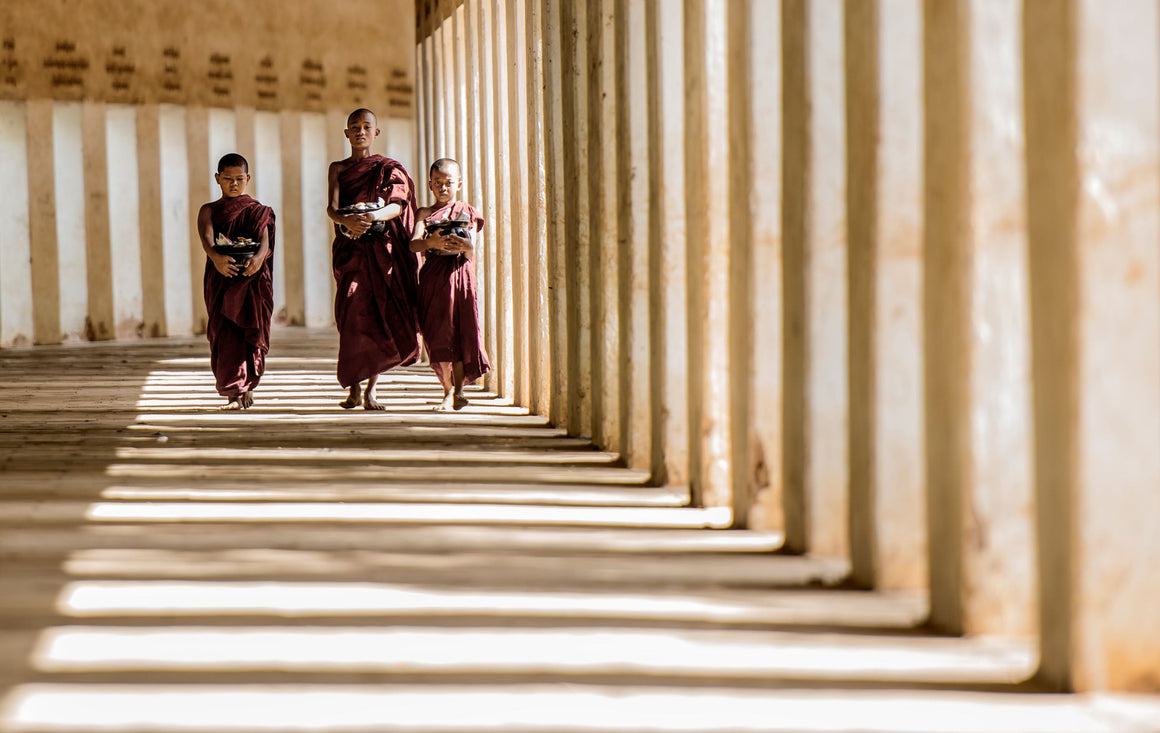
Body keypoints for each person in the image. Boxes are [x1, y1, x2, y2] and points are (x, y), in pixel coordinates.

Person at [327, 108, 421, 410]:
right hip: (351, 248)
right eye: (354, 127)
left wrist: (369, 217)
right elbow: (331, 208)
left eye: (366, 126)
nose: (360, 132)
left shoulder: (388, 168)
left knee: (380, 317)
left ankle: (370, 391)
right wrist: (346, 221)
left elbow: (397, 205)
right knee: (351, 313)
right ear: (346, 134)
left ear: (376, 133)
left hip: (381, 249)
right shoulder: (338, 169)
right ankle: (353, 388)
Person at [196, 153, 276, 411]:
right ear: (217, 179)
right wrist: (217, 258)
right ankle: (234, 392)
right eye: (228, 179)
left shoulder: (258, 210)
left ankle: (247, 385)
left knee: (250, 329)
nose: (234, 184)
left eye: (239, 179)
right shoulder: (209, 210)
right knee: (225, 332)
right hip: (222, 277)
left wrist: (258, 260)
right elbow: (207, 240)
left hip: (252, 279)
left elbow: (264, 243)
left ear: (248, 179)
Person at [410, 158, 490, 411]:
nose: (443, 188)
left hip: (460, 275)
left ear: (459, 184)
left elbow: (471, 248)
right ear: (430, 184)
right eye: (438, 183)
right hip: (434, 279)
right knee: (438, 334)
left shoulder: (467, 211)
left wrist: (461, 244)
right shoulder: (424, 214)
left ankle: (458, 391)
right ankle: (447, 390)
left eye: (448, 183)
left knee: (459, 332)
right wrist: (431, 243)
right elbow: (413, 244)